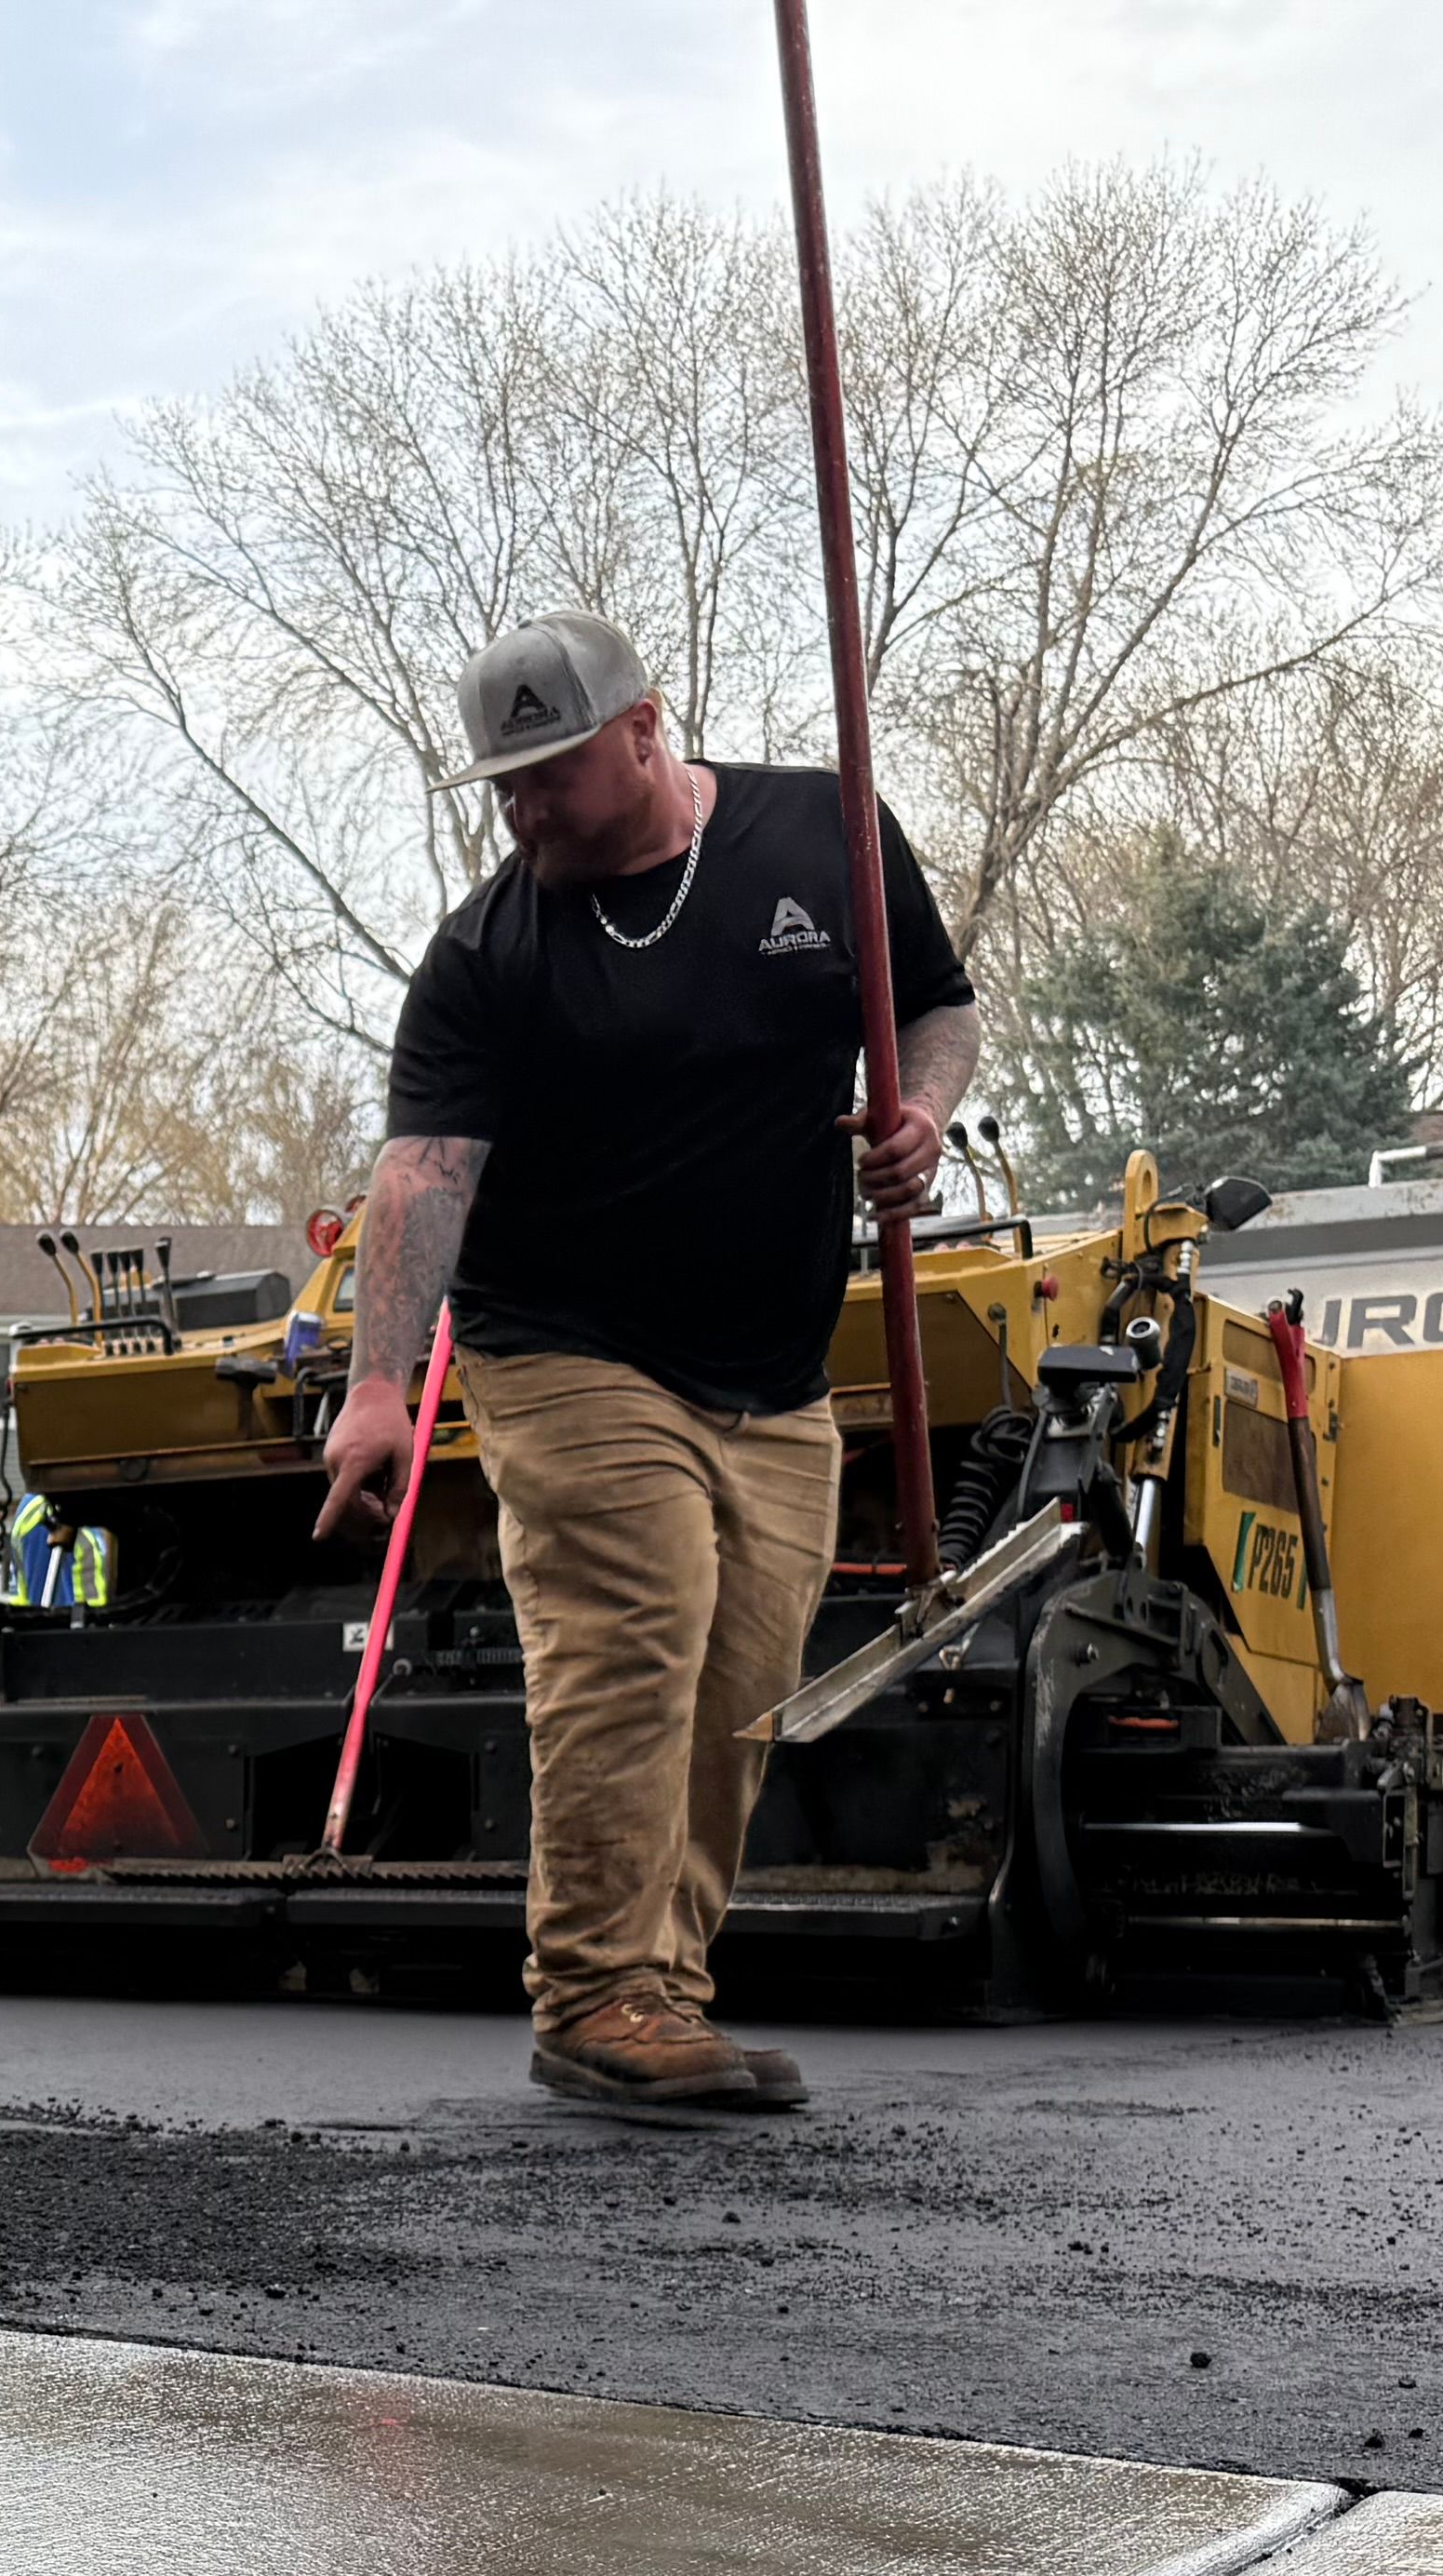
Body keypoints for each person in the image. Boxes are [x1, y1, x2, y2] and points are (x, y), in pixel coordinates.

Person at [316, 610, 979, 2122]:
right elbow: (422, 1171)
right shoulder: (489, 951)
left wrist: (916, 1112)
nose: (527, 809)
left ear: (643, 730)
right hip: (563, 1347)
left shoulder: (826, 833)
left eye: (552, 775)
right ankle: (592, 1989)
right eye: (503, 786)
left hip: (770, 1362)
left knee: (744, 1672)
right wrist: (373, 1380)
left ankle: (661, 1989)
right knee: (635, 1620)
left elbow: (936, 1008)